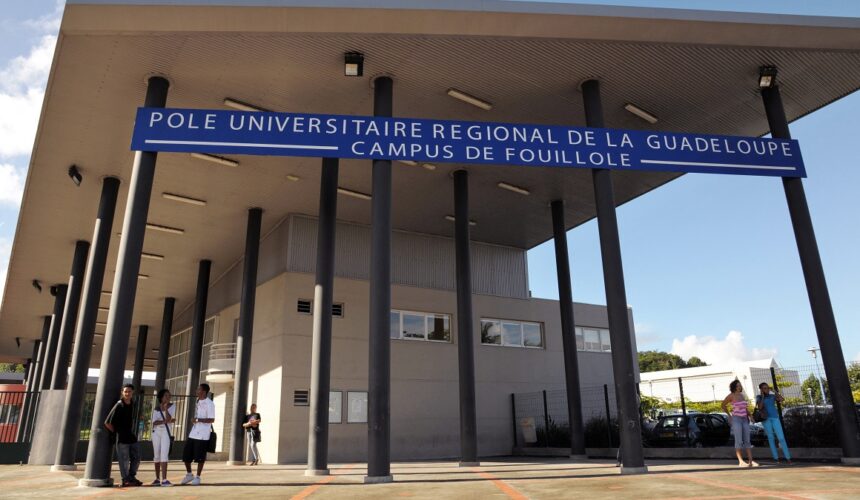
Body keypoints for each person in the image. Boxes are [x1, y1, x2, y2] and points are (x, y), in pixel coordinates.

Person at [104, 384, 142, 487]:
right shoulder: (119, 405)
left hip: (131, 436)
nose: (127, 393)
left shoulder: (134, 404)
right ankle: (125, 479)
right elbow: (107, 423)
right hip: (121, 438)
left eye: (129, 391)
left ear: (132, 392)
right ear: (122, 392)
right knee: (124, 459)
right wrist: (117, 432)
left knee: (137, 457)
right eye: (125, 391)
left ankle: (131, 477)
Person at [181, 383, 215, 486]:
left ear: (204, 392)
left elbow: (212, 419)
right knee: (186, 455)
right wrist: (195, 420)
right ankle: (189, 474)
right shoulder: (198, 401)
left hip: (203, 435)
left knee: (200, 457)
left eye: (198, 389)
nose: (196, 391)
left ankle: (198, 477)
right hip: (194, 432)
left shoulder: (210, 404)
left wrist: (198, 419)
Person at [721, 380, 759, 468]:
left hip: (745, 419)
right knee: (738, 440)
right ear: (734, 386)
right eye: (738, 385)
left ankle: (750, 461)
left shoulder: (742, 395)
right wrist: (729, 415)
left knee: (747, 440)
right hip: (736, 419)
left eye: (740, 385)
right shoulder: (731, 396)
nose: (739, 387)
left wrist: (750, 416)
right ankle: (740, 461)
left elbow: (745, 408)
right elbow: (723, 405)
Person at [757, 383, 792, 464]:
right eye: (764, 388)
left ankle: (788, 457)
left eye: (767, 388)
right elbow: (760, 407)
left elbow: (782, 399)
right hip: (766, 419)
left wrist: (775, 391)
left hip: (775, 418)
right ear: (761, 389)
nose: (767, 389)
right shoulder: (759, 397)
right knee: (771, 438)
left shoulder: (772, 396)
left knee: (781, 438)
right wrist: (762, 396)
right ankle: (776, 458)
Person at [151, 389, 176, 486]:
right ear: (161, 397)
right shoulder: (156, 408)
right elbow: (154, 422)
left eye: (169, 396)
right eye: (166, 395)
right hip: (156, 432)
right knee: (156, 455)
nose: (168, 397)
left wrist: (165, 409)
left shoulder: (172, 406)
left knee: (164, 454)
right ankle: (157, 479)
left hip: (166, 431)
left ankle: (164, 479)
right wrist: (164, 421)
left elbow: (170, 418)